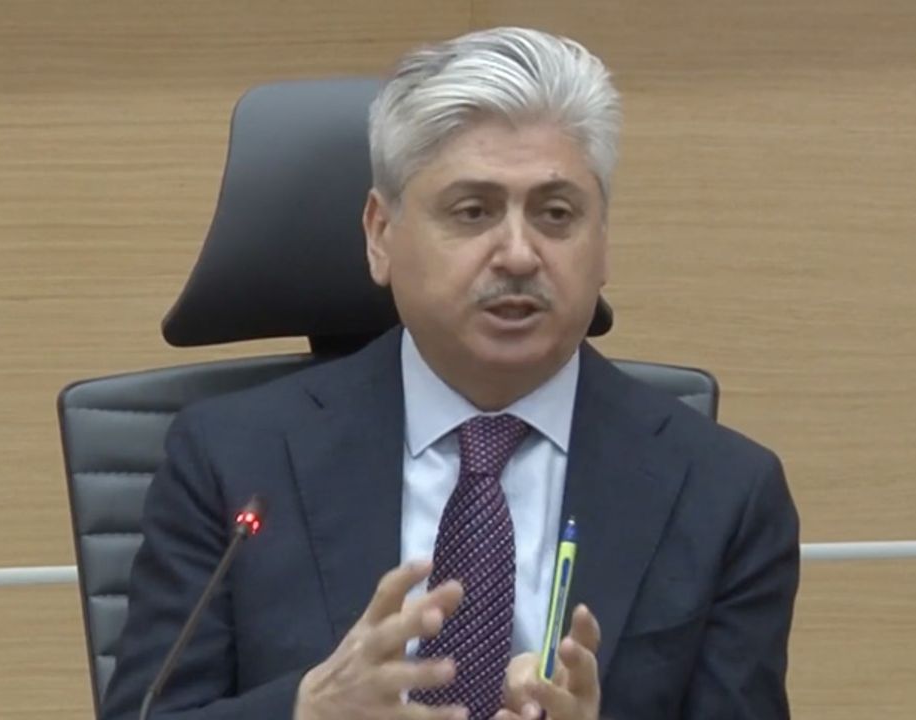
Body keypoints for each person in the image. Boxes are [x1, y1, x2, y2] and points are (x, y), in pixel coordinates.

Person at [99, 26, 800, 720]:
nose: (519, 254)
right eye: (473, 212)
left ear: (604, 244)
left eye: (557, 214)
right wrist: (308, 710)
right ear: (380, 234)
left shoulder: (724, 492)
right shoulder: (229, 461)